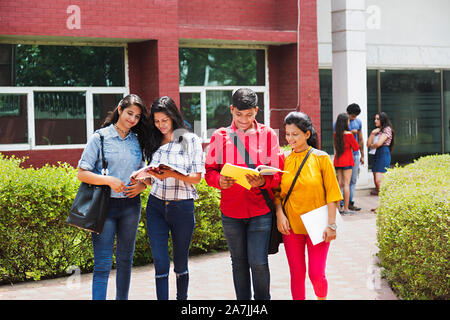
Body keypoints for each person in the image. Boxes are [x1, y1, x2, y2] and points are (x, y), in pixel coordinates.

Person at [205, 88, 284, 300]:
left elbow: (278, 173)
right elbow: (209, 172)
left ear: (256, 111)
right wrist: (219, 181)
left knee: (258, 262)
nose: (244, 119)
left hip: (260, 211)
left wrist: (263, 181)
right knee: (238, 263)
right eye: (239, 114)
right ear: (232, 110)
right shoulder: (219, 136)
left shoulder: (268, 135)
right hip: (231, 213)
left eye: (249, 114)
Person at [77, 94, 149, 300]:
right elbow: (82, 172)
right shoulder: (100, 137)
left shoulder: (138, 141)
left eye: (137, 116)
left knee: (125, 261)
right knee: (102, 263)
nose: (133, 119)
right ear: (119, 109)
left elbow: (146, 173)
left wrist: (142, 186)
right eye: (129, 113)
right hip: (104, 207)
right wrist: (109, 181)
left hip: (131, 207)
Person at [139, 96, 204, 300]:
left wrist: (171, 174)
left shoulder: (190, 140)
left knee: (180, 262)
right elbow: (151, 180)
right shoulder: (153, 141)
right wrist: (144, 176)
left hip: (182, 208)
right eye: (157, 121)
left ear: (174, 117)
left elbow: (197, 178)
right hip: (156, 205)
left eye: (164, 120)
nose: (161, 125)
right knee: (160, 262)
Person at [274, 111, 342, 300]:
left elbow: (332, 194)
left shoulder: (321, 159)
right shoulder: (283, 159)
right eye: (287, 134)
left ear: (307, 134)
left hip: (318, 225)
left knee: (316, 274)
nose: (290, 138)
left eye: (295, 134)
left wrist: (332, 224)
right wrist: (280, 214)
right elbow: (277, 193)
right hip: (291, 226)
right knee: (296, 275)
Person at [333, 113, 360, 215]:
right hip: (347, 160)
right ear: (345, 122)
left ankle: (338, 207)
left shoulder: (335, 134)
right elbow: (356, 147)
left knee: (338, 184)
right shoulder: (349, 134)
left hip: (338, 160)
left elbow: (336, 146)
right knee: (346, 184)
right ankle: (346, 208)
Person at [367, 112, 394, 198]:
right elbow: (368, 144)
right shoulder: (376, 130)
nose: (375, 121)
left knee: (379, 180)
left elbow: (379, 143)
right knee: (376, 181)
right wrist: (372, 133)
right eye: (375, 119)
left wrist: (372, 145)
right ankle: (379, 205)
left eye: (378, 119)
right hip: (375, 154)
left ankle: (385, 202)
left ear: (383, 120)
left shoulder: (387, 129)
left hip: (383, 153)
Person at [346, 103, 364, 211]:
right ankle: (342, 203)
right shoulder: (341, 122)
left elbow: (361, 139)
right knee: (344, 181)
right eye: (353, 116)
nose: (354, 118)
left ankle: (350, 202)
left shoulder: (358, 122)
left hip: (355, 154)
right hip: (345, 155)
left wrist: (362, 155)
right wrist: (349, 132)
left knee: (353, 180)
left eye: (356, 116)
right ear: (348, 113)